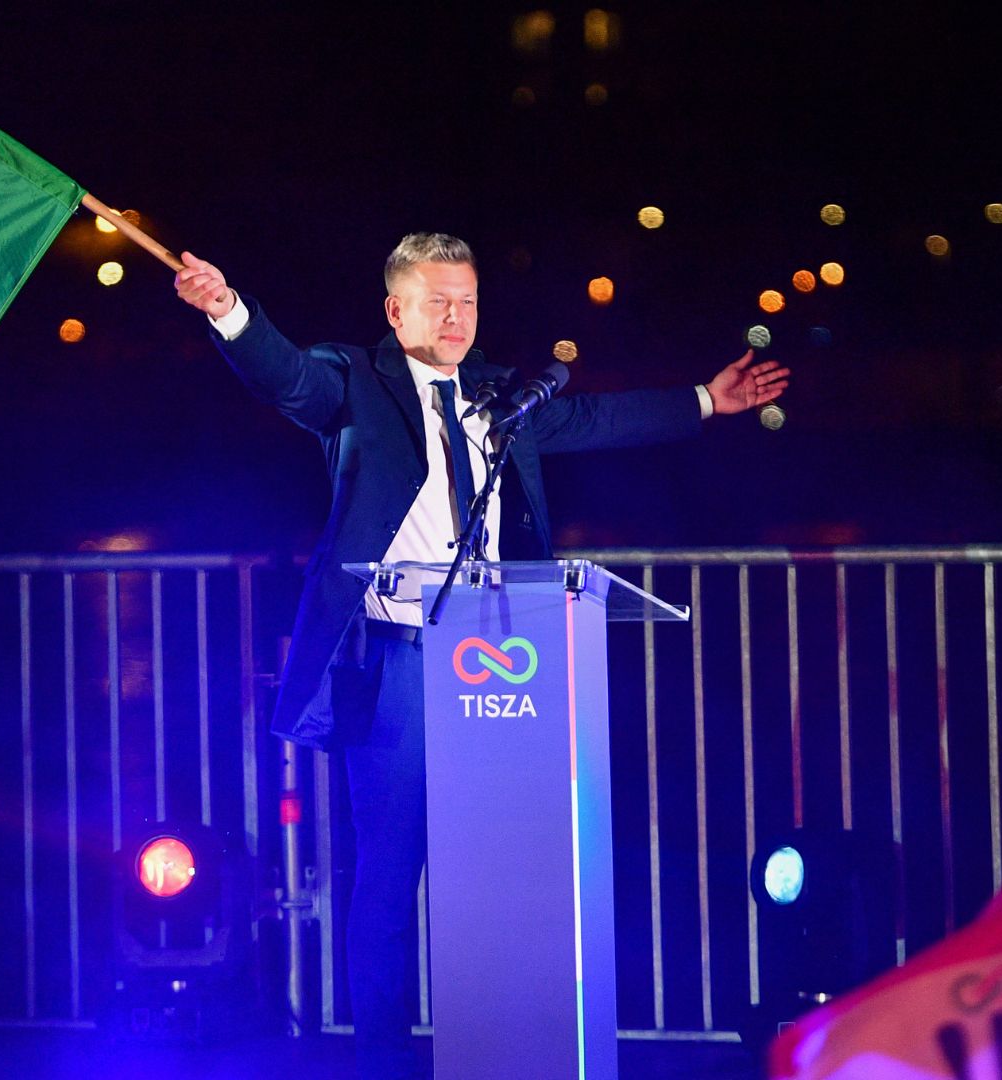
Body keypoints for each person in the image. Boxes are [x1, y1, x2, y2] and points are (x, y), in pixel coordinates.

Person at [174, 233, 787, 1077]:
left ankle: (502, 1051)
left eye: (466, 301)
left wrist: (707, 401)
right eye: (438, 302)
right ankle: (384, 1062)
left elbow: (594, 420)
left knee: (498, 870)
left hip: (499, 661)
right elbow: (288, 378)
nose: (456, 318)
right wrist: (230, 312)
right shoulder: (355, 382)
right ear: (397, 311)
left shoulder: (502, 400)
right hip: (395, 663)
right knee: (389, 874)